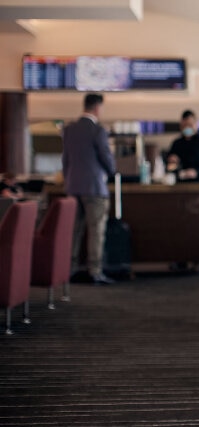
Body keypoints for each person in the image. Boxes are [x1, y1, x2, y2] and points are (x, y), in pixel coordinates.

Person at [62, 93, 116, 285]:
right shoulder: (98, 131)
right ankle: (95, 271)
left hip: (73, 186)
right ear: (97, 108)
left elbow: (65, 160)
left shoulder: (69, 129)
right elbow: (107, 159)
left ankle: (69, 270)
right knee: (96, 230)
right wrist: (112, 170)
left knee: (73, 231)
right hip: (94, 187)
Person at [166, 110, 199, 183]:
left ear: (196, 124)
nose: (187, 128)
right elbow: (170, 168)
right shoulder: (176, 143)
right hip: (180, 184)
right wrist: (172, 162)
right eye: (184, 125)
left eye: (190, 125)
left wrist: (197, 172)